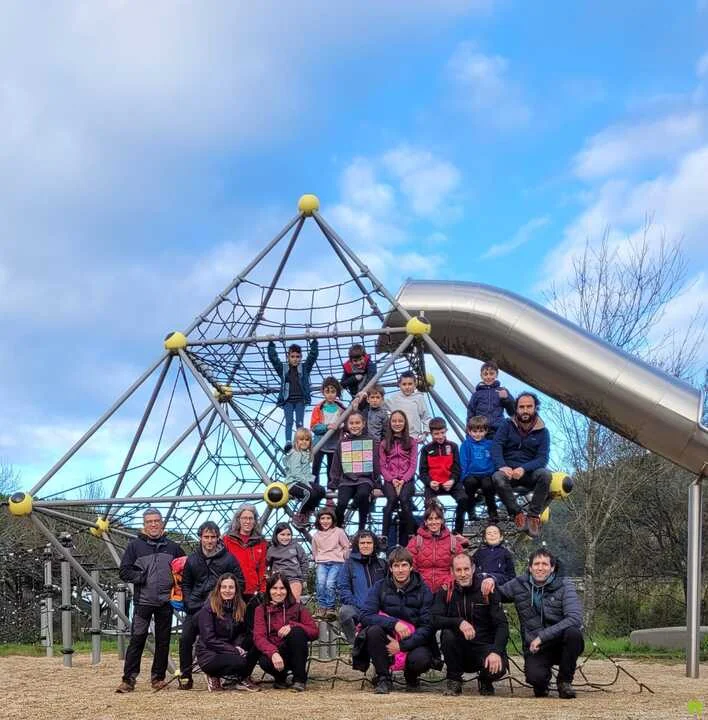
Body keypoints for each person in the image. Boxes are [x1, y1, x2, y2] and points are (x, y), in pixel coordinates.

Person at [483, 548, 584, 699]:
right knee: (536, 679)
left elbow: (575, 618)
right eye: (536, 564)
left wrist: (542, 637)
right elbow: (497, 593)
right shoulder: (519, 584)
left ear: (552, 567)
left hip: (560, 642)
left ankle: (564, 682)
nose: (540, 568)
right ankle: (542, 683)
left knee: (573, 633)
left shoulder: (565, 585)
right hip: (534, 647)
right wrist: (491, 580)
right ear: (530, 568)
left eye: (545, 564)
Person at [115, 508, 185, 693]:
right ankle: (128, 680)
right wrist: (142, 577)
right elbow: (124, 571)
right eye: (149, 522)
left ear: (162, 523)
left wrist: (179, 588)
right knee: (137, 640)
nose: (153, 524)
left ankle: (158, 678)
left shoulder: (173, 547)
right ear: (144, 525)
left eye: (156, 521)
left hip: (166, 602)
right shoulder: (135, 547)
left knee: (163, 641)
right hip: (143, 602)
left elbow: (184, 568)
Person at [431, 553, 509, 697]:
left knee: (498, 668)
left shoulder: (487, 589)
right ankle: (454, 680)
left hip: (484, 647)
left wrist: (496, 651)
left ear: (473, 569)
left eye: (466, 569)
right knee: (447, 634)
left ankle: (485, 680)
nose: (463, 574)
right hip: (459, 650)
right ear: (452, 571)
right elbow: (433, 619)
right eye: (458, 570)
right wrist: (458, 622)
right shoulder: (446, 590)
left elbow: (502, 625)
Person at [179, 521, 245, 689]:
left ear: (218, 538)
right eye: (206, 537)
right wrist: (188, 602)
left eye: (213, 537)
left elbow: (240, 582)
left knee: (224, 637)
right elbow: (186, 584)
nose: (209, 540)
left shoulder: (229, 559)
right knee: (185, 637)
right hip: (196, 607)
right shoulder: (192, 559)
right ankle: (185, 676)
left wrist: (226, 601)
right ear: (200, 538)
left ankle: (222, 670)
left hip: (220, 608)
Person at [360, 546, 435, 694]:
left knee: (422, 659)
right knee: (373, 631)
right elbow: (365, 615)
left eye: (404, 565)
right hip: (387, 637)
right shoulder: (380, 587)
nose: (400, 570)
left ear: (411, 567)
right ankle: (384, 678)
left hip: (413, 639)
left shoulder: (424, 590)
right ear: (390, 568)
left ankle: (411, 676)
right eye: (396, 566)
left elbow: (427, 626)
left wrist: (402, 645)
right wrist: (394, 624)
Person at [491, 392, 552, 537]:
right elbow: (496, 446)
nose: (525, 410)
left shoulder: (543, 432)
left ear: (535, 408)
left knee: (545, 475)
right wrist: (502, 466)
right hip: (508, 472)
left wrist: (524, 469)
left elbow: (542, 458)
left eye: (529, 407)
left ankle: (533, 516)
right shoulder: (506, 425)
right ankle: (517, 513)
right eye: (521, 407)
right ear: (516, 408)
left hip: (530, 473)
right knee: (497, 477)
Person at [253, 572, 319, 692]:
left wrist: (293, 625)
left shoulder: (297, 607)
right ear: (269, 590)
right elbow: (259, 637)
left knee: (297, 632)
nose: (278, 592)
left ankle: (299, 679)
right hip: (275, 651)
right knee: (264, 661)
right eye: (274, 588)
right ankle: (281, 677)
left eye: (282, 588)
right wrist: (273, 653)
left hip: (293, 652)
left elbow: (314, 632)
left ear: (287, 590)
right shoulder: (261, 610)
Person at [196, 573, 259, 692]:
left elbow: (242, 632)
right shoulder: (208, 608)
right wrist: (233, 650)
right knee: (240, 662)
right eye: (224, 587)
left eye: (231, 587)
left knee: (256, 641)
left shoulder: (240, 607)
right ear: (219, 589)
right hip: (210, 654)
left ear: (236, 590)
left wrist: (238, 646)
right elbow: (209, 639)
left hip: (229, 648)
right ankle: (213, 674)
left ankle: (242, 678)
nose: (227, 590)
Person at [331, 411, 381, 532]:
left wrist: (377, 485)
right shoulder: (342, 442)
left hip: (365, 479)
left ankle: (361, 530)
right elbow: (336, 464)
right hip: (346, 480)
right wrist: (333, 483)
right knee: (341, 503)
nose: (354, 426)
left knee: (363, 495)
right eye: (351, 423)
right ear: (347, 425)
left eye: (357, 423)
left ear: (363, 424)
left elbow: (376, 463)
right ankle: (338, 530)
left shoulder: (371, 441)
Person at [267, 338, 319, 450]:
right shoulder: (284, 369)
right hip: (288, 400)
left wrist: (314, 343)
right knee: (289, 421)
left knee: (299, 423)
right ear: (288, 357)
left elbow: (312, 357)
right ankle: (288, 441)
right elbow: (274, 359)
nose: (295, 359)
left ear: (301, 357)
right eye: (292, 356)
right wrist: (271, 344)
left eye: (298, 357)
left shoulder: (304, 368)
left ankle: (300, 442)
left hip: (300, 400)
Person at [336, 530, 387, 644]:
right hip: (358, 608)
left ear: (374, 544)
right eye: (362, 543)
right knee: (345, 612)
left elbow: (389, 587)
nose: (365, 546)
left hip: (379, 610)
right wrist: (357, 604)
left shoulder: (382, 564)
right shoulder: (349, 564)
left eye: (369, 543)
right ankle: (355, 643)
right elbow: (344, 588)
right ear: (357, 545)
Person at [419, 417, 467, 535]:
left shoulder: (453, 446)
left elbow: (457, 468)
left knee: (463, 499)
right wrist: (430, 482)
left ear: (446, 431)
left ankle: (458, 531)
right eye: (436, 434)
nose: (440, 436)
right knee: (429, 505)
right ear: (431, 434)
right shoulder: (426, 449)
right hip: (433, 484)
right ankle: (437, 533)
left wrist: (452, 480)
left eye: (442, 433)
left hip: (451, 482)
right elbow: (423, 472)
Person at [407, 501, 467, 594]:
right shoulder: (415, 541)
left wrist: (450, 581)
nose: (434, 522)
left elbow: (461, 565)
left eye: (437, 518)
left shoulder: (453, 541)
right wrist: (418, 584)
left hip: (446, 590)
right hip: (421, 591)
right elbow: (409, 566)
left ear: (442, 521)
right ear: (425, 522)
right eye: (430, 519)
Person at [379, 410, 418, 547]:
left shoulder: (411, 442)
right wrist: (392, 479)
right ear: (390, 423)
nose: (397, 424)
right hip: (390, 479)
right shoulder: (384, 443)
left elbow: (413, 464)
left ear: (405, 423)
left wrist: (403, 480)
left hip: (407, 479)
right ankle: (384, 536)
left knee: (404, 500)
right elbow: (382, 465)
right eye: (394, 421)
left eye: (400, 421)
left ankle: (411, 534)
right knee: (391, 501)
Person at [282, 427, 326, 528]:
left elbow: (306, 472)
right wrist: (308, 483)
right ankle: (299, 516)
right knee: (310, 493)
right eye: (301, 439)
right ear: (296, 441)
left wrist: (311, 482)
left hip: (303, 481)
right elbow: (295, 472)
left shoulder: (306, 453)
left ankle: (309, 511)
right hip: (293, 483)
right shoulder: (296, 453)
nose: (304, 442)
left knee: (321, 490)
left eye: (307, 440)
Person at [223, 504, 268, 601]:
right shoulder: (227, 540)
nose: (247, 521)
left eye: (251, 518)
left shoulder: (261, 543)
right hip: (232, 592)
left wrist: (263, 590)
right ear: (238, 520)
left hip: (253, 592)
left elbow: (262, 569)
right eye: (244, 518)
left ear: (255, 521)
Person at [311, 507, 350, 619]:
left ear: (333, 519)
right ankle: (322, 606)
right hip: (322, 562)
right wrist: (317, 559)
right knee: (320, 583)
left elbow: (346, 546)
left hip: (336, 562)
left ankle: (330, 608)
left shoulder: (339, 532)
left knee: (330, 583)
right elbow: (314, 550)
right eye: (322, 518)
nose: (325, 521)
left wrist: (343, 557)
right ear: (318, 520)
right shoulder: (316, 535)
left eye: (328, 518)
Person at [309, 376, 346, 489]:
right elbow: (314, 427)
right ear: (323, 392)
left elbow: (347, 423)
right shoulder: (319, 408)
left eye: (333, 392)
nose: (330, 395)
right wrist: (326, 427)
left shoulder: (341, 408)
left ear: (337, 393)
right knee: (315, 469)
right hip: (320, 444)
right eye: (327, 392)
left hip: (334, 444)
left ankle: (331, 492)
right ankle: (314, 489)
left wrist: (342, 426)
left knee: (332, 470)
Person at [460, 415, 498, 522]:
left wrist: (493, 472)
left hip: (486, 474)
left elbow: (494, 460)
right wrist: (463, 478)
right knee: (469, 484)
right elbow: (463, 462)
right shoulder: (466, 445)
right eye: (475, 431)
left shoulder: (490, 444)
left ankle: (493, 512)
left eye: (481, 431)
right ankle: (471, 512)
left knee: (488, 486)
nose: (477, 434)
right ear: (469, 431)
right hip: (472, 475)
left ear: (486, 431)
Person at [465, 360, 515, 436]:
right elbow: (470, 413)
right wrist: (468, 432)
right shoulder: (476, 394)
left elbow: (512, 412)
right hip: (481, 432)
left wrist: (506, 399)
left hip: (498, 431)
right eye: (485, 374)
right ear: (481, 376)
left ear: (496, 374)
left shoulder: (502, 391)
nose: (488, 377)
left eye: (491, 374)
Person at [266, 522, 309, 601]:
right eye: (282, 535)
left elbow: (304, 561)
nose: (285, 537)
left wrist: (304, 578)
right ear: (276, 535)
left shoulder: (295, 546)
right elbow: (266, 564)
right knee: (278, 601)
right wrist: (269, 576)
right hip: (279, 580)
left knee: (294, 601)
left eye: (288, 535)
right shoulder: (272, 549)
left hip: (294, 579)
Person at [385, 371, 430, 443]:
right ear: (399, 385)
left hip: (413, 436)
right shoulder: (394, 398)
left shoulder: (419, 398)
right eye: (404, 384)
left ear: (415, 385)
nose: (407, 387)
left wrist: (425, 433)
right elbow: (381, 404)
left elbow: (426, 418)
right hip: (397, 436)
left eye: (410, 384)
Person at [473, 523, 516, 587]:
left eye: (495, 533)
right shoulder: (479, 553)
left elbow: (511, 576)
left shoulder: (505, 553)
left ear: (501, 537)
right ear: (484, 539)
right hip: (481, 585)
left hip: (500, 586)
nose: (492, 535)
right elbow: (472, 567)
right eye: (489, 533)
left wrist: (495, 578)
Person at [340, 343, 377, 412]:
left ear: (364, 357)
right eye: (355, 361)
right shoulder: (348, 368)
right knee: (351, 413)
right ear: (351, 361)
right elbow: (342, 384)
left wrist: (363, 392)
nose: (359, 363)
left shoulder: (370, 365)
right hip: (356, 397)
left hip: (368, 395)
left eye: (360, 359)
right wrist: (354, 378)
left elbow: (371, 380)